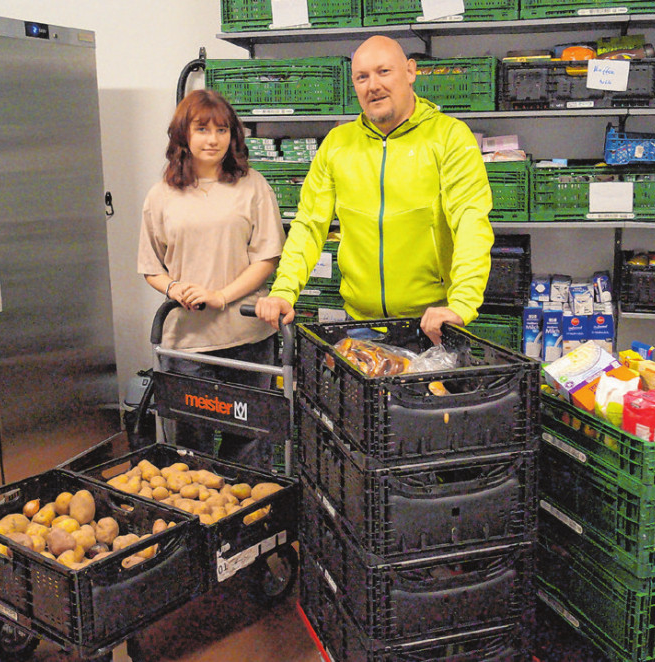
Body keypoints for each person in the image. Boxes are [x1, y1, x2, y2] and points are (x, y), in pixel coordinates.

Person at [255, 35, 494, 344]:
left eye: (384, 72)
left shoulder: (449, 137)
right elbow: (309, 226)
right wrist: (284, 291)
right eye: (362, 77)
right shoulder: (338, 144)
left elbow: (471, 223)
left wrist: (461, 303)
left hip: (432, 325)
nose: (373, 85)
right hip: (358, 324)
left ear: (410, 72)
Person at [137, 89, 285, 470]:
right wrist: (174, 288)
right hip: (188, 344)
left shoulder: (253, 186)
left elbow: (266, 256)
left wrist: (221, 296)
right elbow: (152, 266)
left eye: (222, 129)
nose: (213, 139)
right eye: (202, 129)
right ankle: (201, 526)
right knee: (192, 450)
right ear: (183, 135)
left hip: (249, 339)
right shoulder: (161, 196)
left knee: (250, 445)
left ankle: (246, 523)